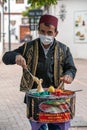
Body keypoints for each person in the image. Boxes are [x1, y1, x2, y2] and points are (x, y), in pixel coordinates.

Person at [2, 14, 77, 130]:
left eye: (49, 33)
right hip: (35, 99)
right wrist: (16, 56)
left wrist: (69, 75)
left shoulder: (64, 49)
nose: (45, 35)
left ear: (56, 33)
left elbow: (71, 68)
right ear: (38, 31)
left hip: (56, 99)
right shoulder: (28, 47)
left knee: (56, 127)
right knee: (39, 127)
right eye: (42, 31)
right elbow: (6, 57)